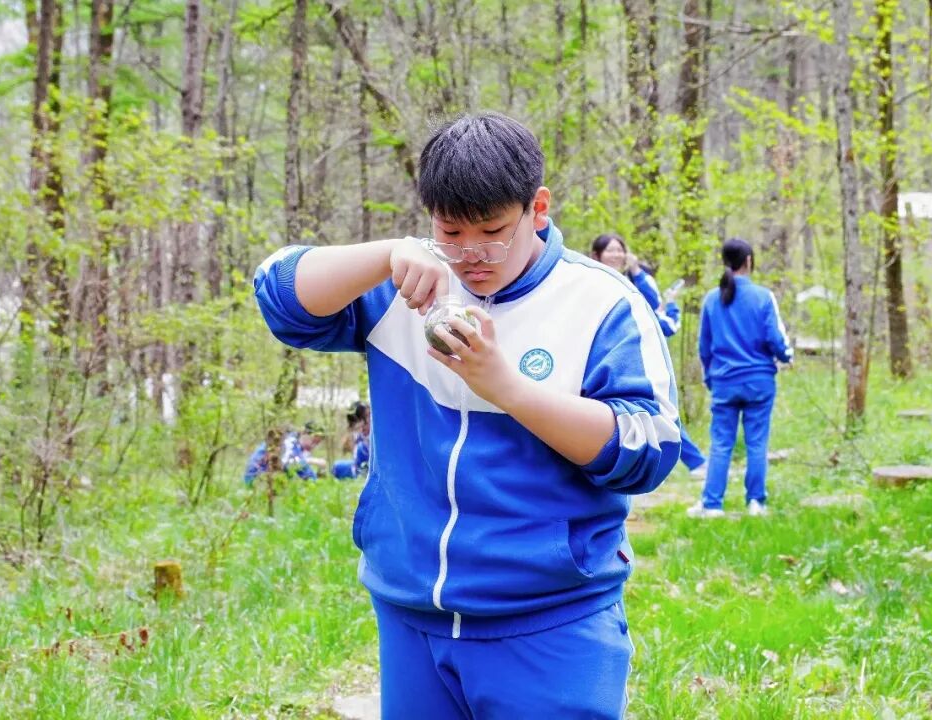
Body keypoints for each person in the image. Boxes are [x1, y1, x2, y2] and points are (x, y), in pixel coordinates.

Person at [253, 112, 680, 719]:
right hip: (410, 615)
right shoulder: (405, 284)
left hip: (550, 622)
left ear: (537, 208)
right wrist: (387, 254)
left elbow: (649, 447)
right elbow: (278, 296)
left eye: (493, 231)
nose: (472, 255)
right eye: (450, 231)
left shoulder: (601, 302)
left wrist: (507, 387)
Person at [687, 238, 793, 519]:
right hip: (759, 381)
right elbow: (775, 338)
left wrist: (711, 378)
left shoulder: (712, 299)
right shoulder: (763, 296)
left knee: (721, 443)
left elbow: (704, 347)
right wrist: (786, 356)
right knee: (757, 442)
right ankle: (755, 502)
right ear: (748, 261)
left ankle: (712, 505)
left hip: (724, 382)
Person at [590, 233, 707, 476]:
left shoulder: (634, 283)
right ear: (596, 255)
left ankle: (690, 462)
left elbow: (655, 308)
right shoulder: (587, 282)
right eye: (610, 250)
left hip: (635, 359)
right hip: (600, 361)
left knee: (657, 411)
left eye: (620, 250)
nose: (616, 255)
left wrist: (637, 271)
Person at [242, 422, 325, 485]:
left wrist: (316, 480)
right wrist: (310, 461)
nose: (313, 446)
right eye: (313, 441)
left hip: (267, 480)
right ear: (304, 433)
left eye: (317, 443)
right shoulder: (289, 440)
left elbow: (304, 471)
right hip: (256, 478)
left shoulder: (298, 448)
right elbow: (288, 464)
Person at [333, 401, 371, 480]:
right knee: (336, 467)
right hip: (359, 465)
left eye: (368, 416)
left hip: (370, 465)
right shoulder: (358, 436)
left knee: (361, 448)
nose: (368, 420)